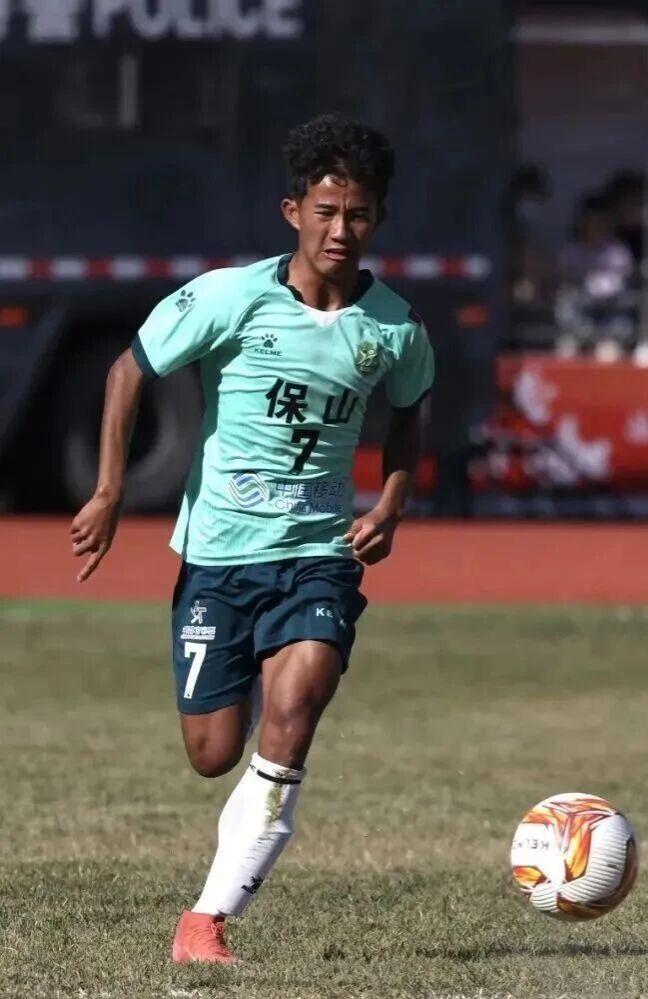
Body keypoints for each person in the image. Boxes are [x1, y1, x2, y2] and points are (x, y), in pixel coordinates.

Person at [68, 115, 434, 964]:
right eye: (326, 211)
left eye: (359, 215)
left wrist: (391, 501)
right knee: (212, 753)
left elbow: (410, 415)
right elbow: (129, 370)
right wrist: (111, 490)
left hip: (319, 556)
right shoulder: (230, 298)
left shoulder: (395, 326)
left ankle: (206, 920)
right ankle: (259, 708)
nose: (341, 230)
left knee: (296, 710)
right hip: (219, 558)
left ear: (378, 219)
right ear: (292, 210)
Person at [554, 194, 635, 360]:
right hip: (580, 312)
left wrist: (598, 287)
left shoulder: (619, 252)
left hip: (610, 313)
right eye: (591, 222)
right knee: (566, 351)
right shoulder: (571, 251)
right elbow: (564, 281)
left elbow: (621, 285)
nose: (596, 227)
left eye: (600, 222)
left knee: (607, 355)